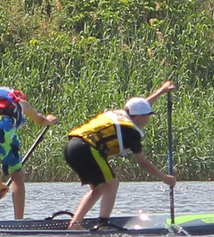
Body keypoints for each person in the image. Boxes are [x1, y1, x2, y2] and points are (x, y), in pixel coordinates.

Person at [62, 84, 177, 228]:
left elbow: (141, 105)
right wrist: (164, 178)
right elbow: (143, 163)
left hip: (72, 147)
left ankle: (75, 223)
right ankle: (103, 224)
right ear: (140, 117)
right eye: (148, 116)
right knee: (112, 184)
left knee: (100, 188)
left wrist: (162, 91)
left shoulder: (123, 114)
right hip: (87, 149)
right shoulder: (131, 133)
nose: (148, 120)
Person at [0, 86, 58, 221]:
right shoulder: (20, 103)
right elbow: (40, 120)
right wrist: (49, 120)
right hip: (4, 128)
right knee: (16, 174)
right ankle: (18, 221)